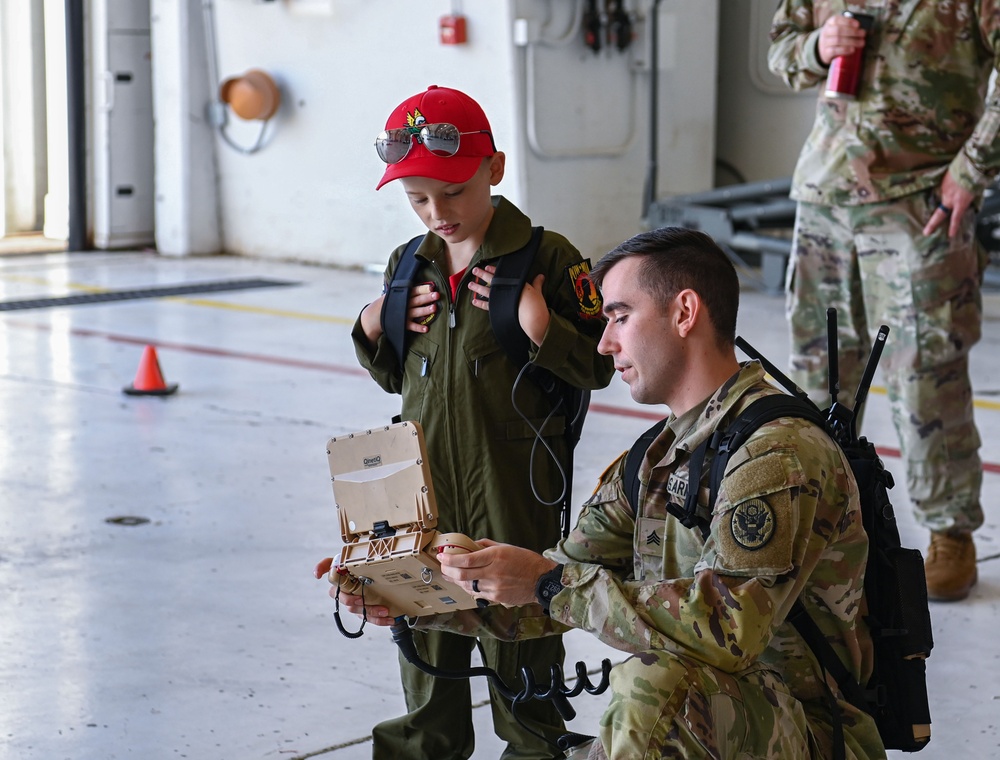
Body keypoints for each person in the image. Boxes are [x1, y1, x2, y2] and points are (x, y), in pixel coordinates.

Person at [323, 227, 885, 759]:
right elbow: (550, 588)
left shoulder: (774, 454)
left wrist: (547, 583)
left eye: (619, 316)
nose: (604, 341)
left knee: (653, 684)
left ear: (684, 313)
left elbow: (729, 631)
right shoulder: (656, 458)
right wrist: (410, 594)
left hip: (807, 730)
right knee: (650, 690)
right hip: (711, 714)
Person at [348, 84, 615, 759]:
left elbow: (597, 368)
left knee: (522, 637)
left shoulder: (549, 259)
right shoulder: (410, 264)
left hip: (513, 488)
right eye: (418, 200)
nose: (437, 213)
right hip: (422, 487)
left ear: (493, 171)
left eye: (452, 192)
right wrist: (372, 326)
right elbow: (397, 378)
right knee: (423, 637)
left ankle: (535, 746)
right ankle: (423, 746)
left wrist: (541, 325)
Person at [767, 3, 995, 602]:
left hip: (920, 198)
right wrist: (817, 46)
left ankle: (949, 531)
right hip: (826, 195)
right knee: (819, 371)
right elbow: (782, 51)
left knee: (925, 368)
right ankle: (821, 524)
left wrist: (972, 170)